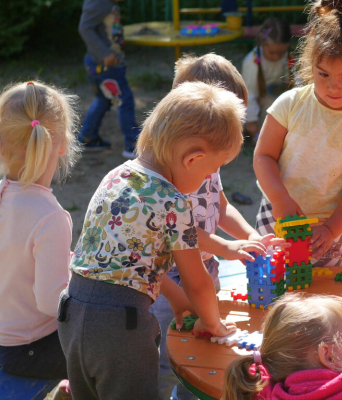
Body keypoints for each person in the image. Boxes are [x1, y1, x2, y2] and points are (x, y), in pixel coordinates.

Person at [58, 82, 240, 399]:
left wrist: (180, 302)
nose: (209, 179)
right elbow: (198, 282)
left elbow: (130, 266)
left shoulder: (116, 176)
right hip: (121, 327)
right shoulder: (175, 203)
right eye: (211, 171)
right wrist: (215, 324)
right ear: (192, 159)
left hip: (71, 311)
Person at [149, 53, 283, 400]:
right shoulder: (168, 170)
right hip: (170, 280)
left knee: (203, 352)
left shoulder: (207, 159)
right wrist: (226, 247)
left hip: (205, 272)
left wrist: (250, 236)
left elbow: (220, 207)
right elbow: (181, 232)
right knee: (168, 359)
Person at [253, 0, 342, 267]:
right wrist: (281, 199)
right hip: (277, 214)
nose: (333, 87)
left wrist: (331, 229)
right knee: (270, 285)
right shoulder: (289, 104)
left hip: (327, 228)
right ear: (311, 63)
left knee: (323, 291)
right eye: (323, 74)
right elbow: (263, 157)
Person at [0, 81, 80, 383]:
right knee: (109, 347)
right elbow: (51, 303)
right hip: (29, 349)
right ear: (62, 144)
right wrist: (80, 280)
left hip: (6, 339)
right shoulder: (50, 216)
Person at [77, 0, 141, 158]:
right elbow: (84, 28)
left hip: (105, 65)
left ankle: (88, 137)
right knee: (125, 100)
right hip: (105, 66)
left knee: (103, 100)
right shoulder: (99, 2)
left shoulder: (108, 3)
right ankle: (133, 144)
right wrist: (104, 54)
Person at [241, 17, 293, 145]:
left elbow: (293, 79)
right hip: (261, 103)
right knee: (271, 107)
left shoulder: (288, 57)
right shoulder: (252, 63)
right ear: (262, 44)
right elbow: (249, 95)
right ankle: (266, 142)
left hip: (278, 97)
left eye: (281, 53)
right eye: (272, 53)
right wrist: (251, 120)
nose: (276, 57)